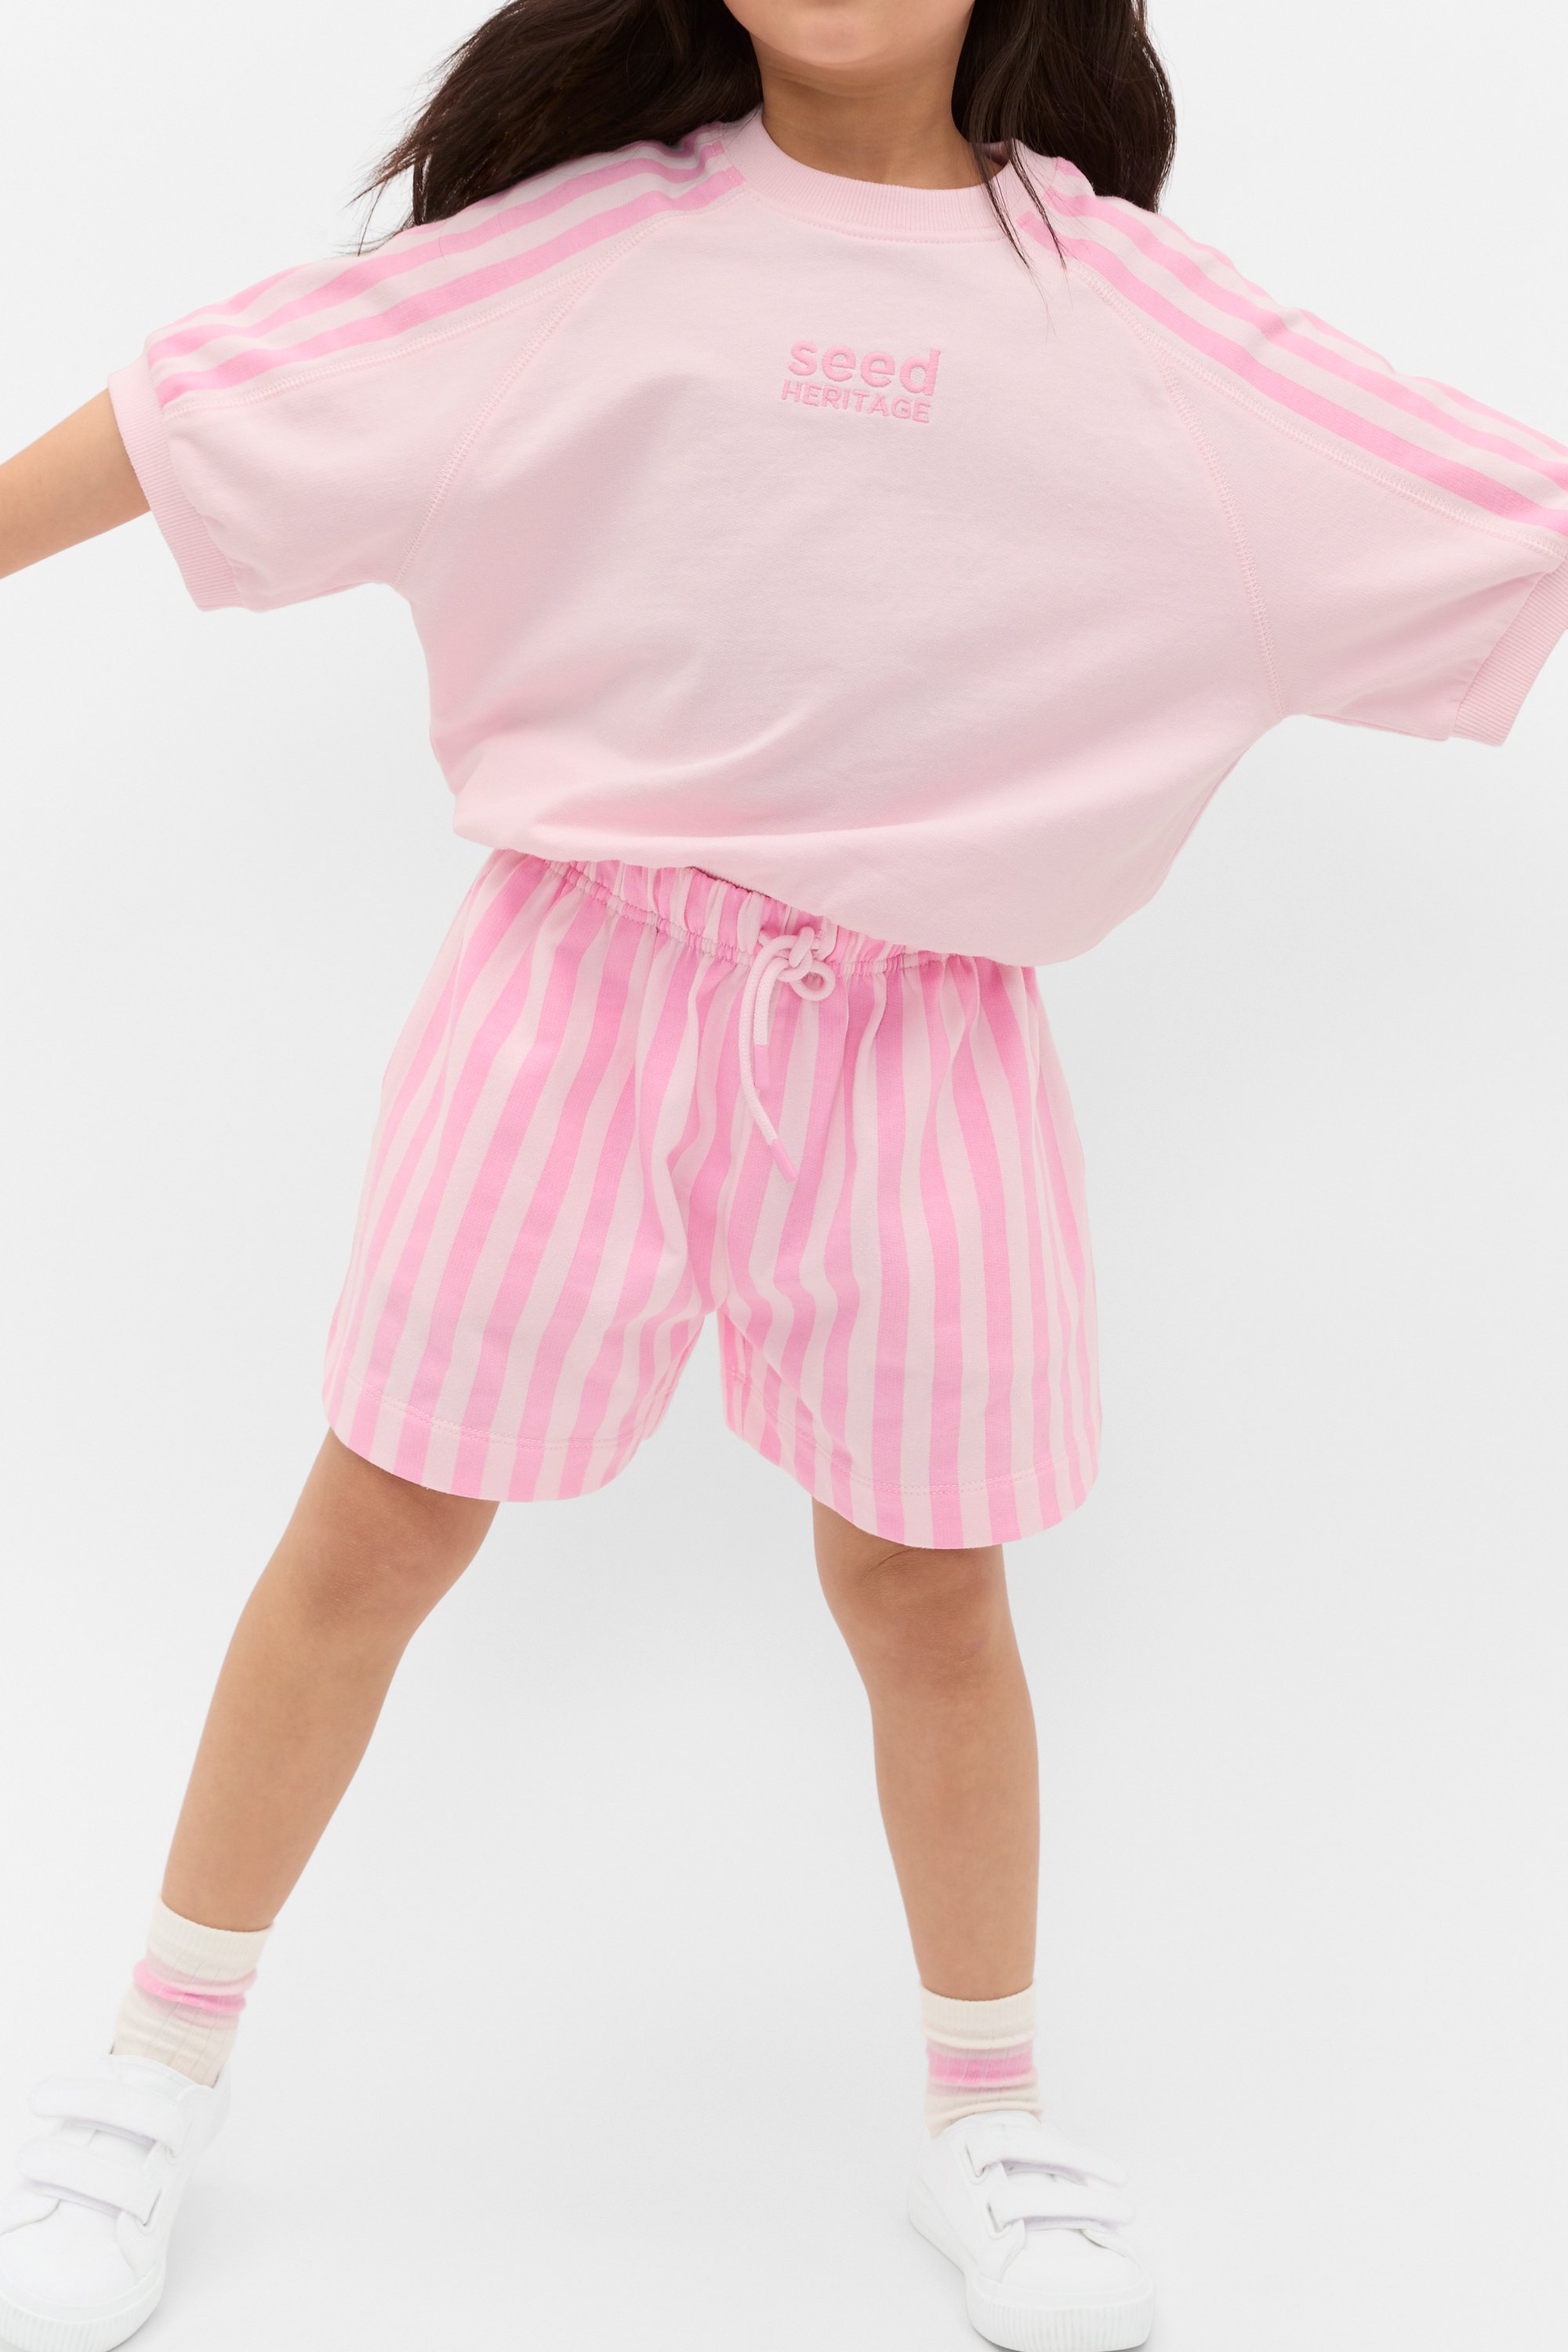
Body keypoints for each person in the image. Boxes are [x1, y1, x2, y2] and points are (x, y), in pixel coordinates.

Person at [2, 2, 1564, 2347]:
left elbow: (1490, 498)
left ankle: (992, 2116)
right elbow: (209, 402)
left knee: (931, 1583)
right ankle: (149, 2071)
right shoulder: (580, 253)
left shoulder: (1135, 312)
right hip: (572, 996)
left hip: (929, 1038)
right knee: (377, 1525)